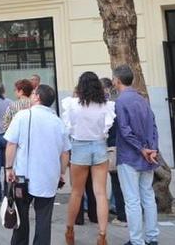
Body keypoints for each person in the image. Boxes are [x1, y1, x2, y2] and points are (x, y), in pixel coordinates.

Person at [5, 84, 70, 245]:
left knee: (21, 216)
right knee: (44, 219)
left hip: (23, 177)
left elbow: (11, 144)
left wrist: (8, 168)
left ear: (37, 97)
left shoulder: (22, 116)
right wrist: (62, 173)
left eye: (33, 93)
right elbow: (65, 152)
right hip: (49, 177)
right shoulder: (58, 122)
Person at [62, 72, 115, 245]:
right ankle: (102, 234)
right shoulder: (106, 105)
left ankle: (70, 230)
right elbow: (107, 128)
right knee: (100, 193)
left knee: (76, 192)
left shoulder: (72, 104)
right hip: (99, 146)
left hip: (79, 146)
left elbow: (67, 127)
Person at [112, 65, 160, 245]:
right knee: (148, 197)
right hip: (148, 156)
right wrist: (152, 148)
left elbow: (125, 130)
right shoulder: (142, 99)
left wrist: (141, 148)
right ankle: (152, 237)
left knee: (132, 200)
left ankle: (136, 240)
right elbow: (153, 126)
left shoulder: (120, 101)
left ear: (117, 80)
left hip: (130, 156)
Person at [102, 77, 126, 227]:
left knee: (117, 182)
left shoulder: (109, 105)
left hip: (113, 147)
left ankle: (122, 216)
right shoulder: (120, 101)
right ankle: (119, 210)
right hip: (123, 147)